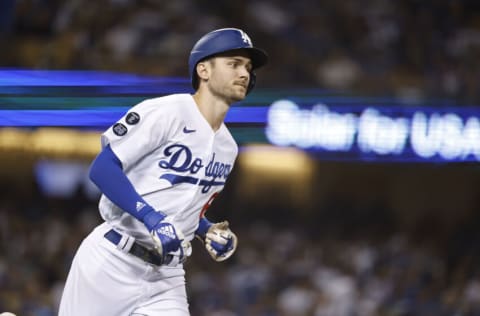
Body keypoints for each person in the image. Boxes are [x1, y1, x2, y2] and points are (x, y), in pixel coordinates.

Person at [58, 27, 268, 316]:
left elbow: (182, 206)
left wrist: (206, 230)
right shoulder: (167, 112)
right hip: (113, 258)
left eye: (247, 67)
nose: (244, 73)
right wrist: (151, 218)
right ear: (203, 70)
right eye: (233, 64)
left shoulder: (228, 147)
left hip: (166, 275)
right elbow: (102, 168)